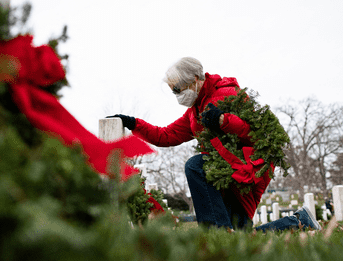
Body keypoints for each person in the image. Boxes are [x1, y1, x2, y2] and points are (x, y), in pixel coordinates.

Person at [109, 57, 320, 231]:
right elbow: (166, 135)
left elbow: (257, 133)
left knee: (195, 165)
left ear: (194, 79)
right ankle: (299, 221)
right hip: (224, 177)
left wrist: (224, 120)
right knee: (240, 237)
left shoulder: (226, 94)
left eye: (177, 89)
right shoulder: (195, 111)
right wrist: (133, 122)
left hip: (246, 172)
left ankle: (214, 231)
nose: (177, 95)